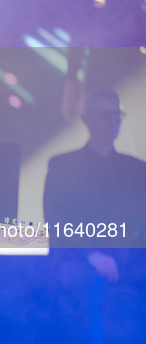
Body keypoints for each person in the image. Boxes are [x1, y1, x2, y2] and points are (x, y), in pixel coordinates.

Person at [44, 90, 146, 342]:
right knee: (87, 282)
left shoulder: (137, 169)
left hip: (127, 259)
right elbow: (57, 222)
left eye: (116, 115)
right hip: (76, 259)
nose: (111, 122)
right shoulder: (62, 166)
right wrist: (92, 254)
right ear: (86, 118)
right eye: (104, 115)